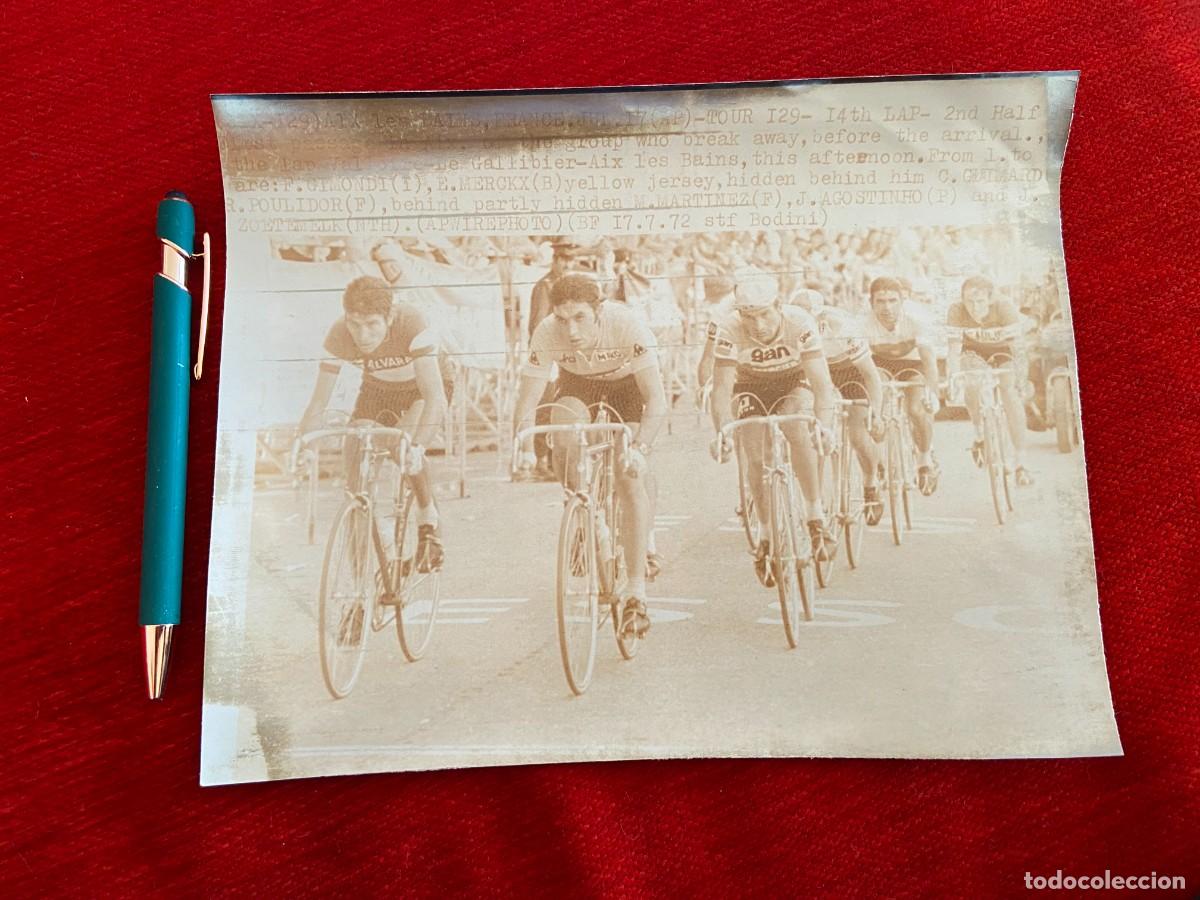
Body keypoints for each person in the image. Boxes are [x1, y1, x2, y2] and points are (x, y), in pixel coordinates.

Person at [511, 274, 668, 639]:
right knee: (562, 430)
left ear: (599, 311)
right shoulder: (547, 331)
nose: (571, 330)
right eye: (563, 319)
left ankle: (636, 593)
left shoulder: (627, 323)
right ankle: (583, 507)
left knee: (628, 473)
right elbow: (529, 396)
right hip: (579, 383)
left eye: (580, 318)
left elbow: (657, 399)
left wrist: (640, 450)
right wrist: (519, 439)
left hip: (627, 386)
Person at [300, 276, 449, 569]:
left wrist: (419, 446)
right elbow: (318, 402)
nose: (362, 335)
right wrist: (304, 443)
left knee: (403, 447)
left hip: (422, 388)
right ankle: (359, 591)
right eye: (355, 324)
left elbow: (435, 398)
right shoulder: (339, 334)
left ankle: (427, 515)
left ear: (390, 317)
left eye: (372, 325)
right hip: (379, 390)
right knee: (355, 475)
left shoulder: (413, 323)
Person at [708, 269, 838, 585]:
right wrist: (722, 430)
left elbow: (822, 384)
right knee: (754, 453)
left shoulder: (800, 323)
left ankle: (815, 516)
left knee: (796, 424)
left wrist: (825, 426)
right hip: (750, 384)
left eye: (764, 314)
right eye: (748, 317)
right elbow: (722, 389)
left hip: (794, 380)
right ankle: (766, 534)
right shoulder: (728, 328)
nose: (758, 325)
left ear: (778, 305)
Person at [789, 287, 887, 526]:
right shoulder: (789, 326)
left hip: (850, 372)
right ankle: (816, 501)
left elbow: (871, 376)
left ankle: (871, 481)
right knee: (818, 435)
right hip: (816, 372)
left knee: (857, 434)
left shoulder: (843, 327)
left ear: (820, 316)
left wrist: (875, 412)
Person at [946, 275, 1034, 485]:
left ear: (990, 299)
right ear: (962, 299)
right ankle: (979, 434)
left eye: (980, 301)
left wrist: (1022, 379)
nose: (974, 307)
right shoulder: (956, 310)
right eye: (969, 302)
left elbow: (1018, 349)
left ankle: (1021, 463)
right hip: (973, 351)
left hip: (1004, 350)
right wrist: (953, 377)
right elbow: (953, 350)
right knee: (972, 383)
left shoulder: (1005, 307)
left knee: (1009, 392)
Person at [862, 276, 941, 495]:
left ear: (902, 301)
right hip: (879, 364)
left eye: (892, 301)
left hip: (912, 362)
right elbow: (863, 367)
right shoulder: (862, 322)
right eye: (881, 301)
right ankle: (879, 459)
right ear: (871, 303)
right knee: (876, 408)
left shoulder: (917, 318)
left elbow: (929, 362)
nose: (887, 307)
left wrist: (932, 394)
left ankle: (924, 460)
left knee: (917, 408)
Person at [515, 242, 576, 482]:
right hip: (548, 353)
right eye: (563, 259)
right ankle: (541, 460)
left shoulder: (570, 286)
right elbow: (538, 324)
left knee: (562, 404)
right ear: (555, 260)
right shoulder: (545, 286)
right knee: (545, 407)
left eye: (570, 260)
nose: (567, 264)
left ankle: (555, 459)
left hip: (568, 356)